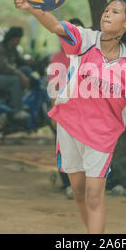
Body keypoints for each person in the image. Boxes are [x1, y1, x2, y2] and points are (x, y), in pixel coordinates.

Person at [14, 0, 126, 234]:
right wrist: (31, 7)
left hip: (102, 136)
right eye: (107, 9)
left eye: (115, 12)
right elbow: (54, 25)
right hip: (70, 124)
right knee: (79, 192)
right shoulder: (85, 40)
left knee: (94, 197)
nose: (107, 13)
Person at [49, 18, 85, 200]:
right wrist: (55, 114)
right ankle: (67, 184)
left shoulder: (90, 55)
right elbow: (54, 88)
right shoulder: (58, 58)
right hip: (65, 110)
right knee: (65, 149)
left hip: (86, 111)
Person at [0, 27, 33, 120]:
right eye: (18, 39)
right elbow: (4, 67)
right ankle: (17, 110)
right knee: (16, 80)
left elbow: (20, 61)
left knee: (26, 70)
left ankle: (19, 100)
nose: (19, 41)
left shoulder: (13, 49)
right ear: (12, 38)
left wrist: (29, 62)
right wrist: (21, 75)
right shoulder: (0, 48)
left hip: (3, 76)